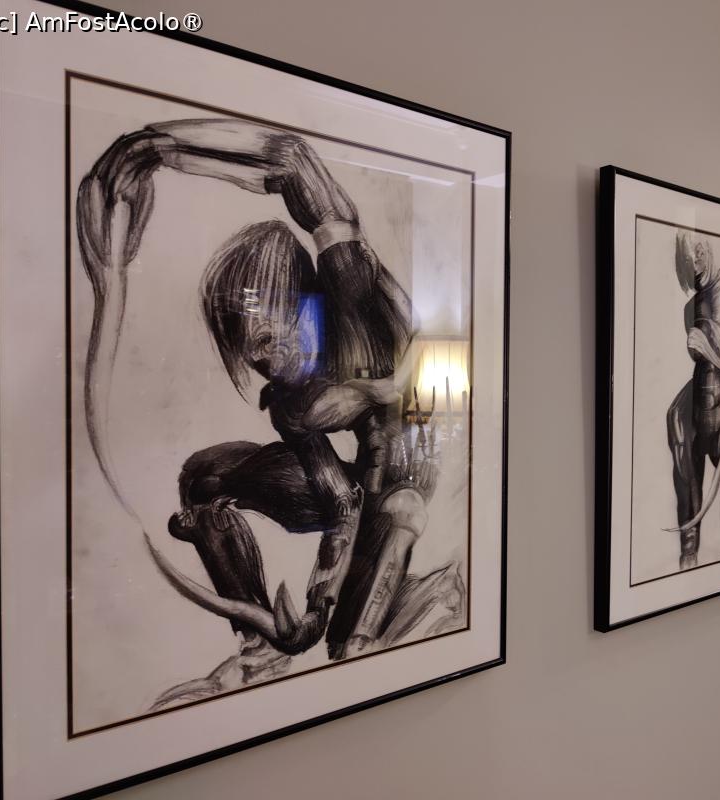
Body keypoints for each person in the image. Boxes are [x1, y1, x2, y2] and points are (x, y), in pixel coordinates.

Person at [76, 119, 456, 688]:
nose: (265, 360)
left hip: (410, 468)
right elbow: (342, 501)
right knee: (205, 479)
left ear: (300, 302)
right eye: (250, 352)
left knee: (355, 630)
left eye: (269, 336)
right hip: (364, 487)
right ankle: (260, 647)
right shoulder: (291, 401)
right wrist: (313, 608)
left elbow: (294, 160)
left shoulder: (349, 287)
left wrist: (153, 148)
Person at [665, 233, 720, 570]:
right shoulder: (689, 308)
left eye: (699, 251)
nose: (696, 260)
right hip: (695, 417)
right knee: (689, 536)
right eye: (689, 257)